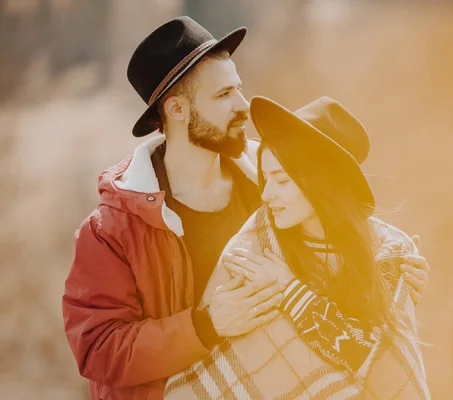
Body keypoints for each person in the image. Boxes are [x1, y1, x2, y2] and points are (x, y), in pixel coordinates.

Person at [61, 16, 430, 400]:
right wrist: (205, 327)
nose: (243, 105)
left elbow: (330, 272)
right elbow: (97, 350)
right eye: (223, 96)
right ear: (176, 109)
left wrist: (389, 283)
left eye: (239, 88)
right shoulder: (112, 229)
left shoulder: (273, 186)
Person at [165, 96, 431, 399]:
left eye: (281, 181)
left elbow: (373, 358)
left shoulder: (390, 251)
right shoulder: (255, 247)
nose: (266, 195)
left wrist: (290, 291)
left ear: (319, 182)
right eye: (265, 178)